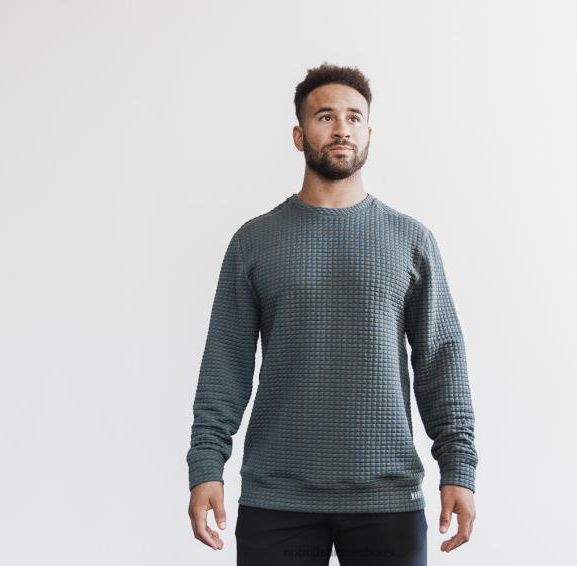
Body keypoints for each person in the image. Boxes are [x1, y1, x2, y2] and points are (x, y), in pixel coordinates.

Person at [186, 62, 479, 565]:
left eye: (354, 117)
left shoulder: (411, 241)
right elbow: (225, 363)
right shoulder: (254, 241)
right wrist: (206, 465)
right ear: (299, 136)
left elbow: (440, 360)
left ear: (369, 134)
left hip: (386, 497)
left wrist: (459, 468)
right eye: (325, 117)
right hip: (277, 496)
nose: (342, 128)